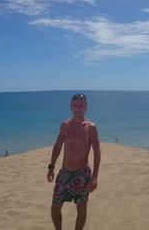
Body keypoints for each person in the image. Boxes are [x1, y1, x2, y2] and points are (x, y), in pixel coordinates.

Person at [46, 93, 102, 230]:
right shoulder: (65, 125)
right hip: (64, 173)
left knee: (81, 208)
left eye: (81, 106)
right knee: (55, 207)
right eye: (75, 105)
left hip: (82, 174)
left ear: (86, 107)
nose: (78, 108)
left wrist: (94, 177)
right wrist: (51, 167)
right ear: (71, 107)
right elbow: (58, 145)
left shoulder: (91, 127)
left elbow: (97, 152)